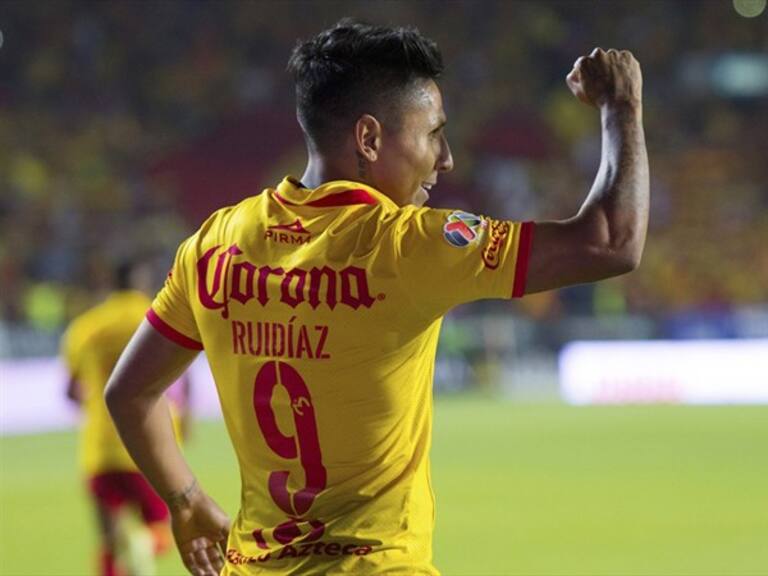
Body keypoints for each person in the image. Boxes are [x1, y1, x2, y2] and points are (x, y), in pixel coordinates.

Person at [105, 19, 648, 576]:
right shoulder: (406, 245)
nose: (447, 158)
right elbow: (611, 242)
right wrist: (621, 105)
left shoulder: (215, 242)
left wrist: (186, 500)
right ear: (368, 139)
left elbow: (129, 393)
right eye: (434, 133)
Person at [63, 260, 190, 576]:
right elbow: (182, 381)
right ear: (141, 281)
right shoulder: (155, 316)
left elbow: (71, 391)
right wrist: (184, 421)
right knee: (160, 530)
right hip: (148, 445)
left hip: (99, 450)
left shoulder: (84, 328)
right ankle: (143, 547)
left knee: (109, 543)